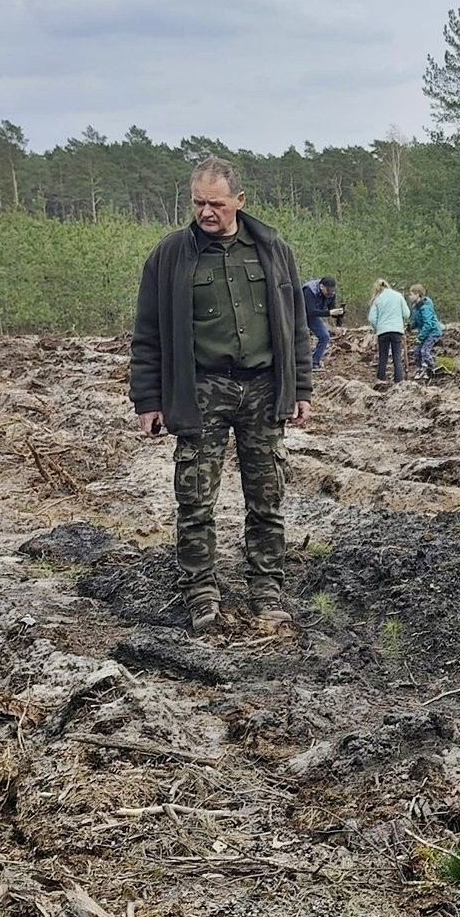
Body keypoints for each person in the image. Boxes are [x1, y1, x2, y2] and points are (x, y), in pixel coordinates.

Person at [129, 156, 312, 634]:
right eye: (198, 203)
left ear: (239, 201)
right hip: (201, 389)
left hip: (264, 387)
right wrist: (148, 399)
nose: (206, 212)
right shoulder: (170, 256)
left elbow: (295, 324)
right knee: (194, 499)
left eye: (216, 203)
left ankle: (266, 590)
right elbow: (147, 333)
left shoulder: (273, 249)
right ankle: (201, 594)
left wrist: (301, 387)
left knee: (267, 497)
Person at [369, 279, 408, 384]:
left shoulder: (377, 299)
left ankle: (380, 380)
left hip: (383, 331)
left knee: (383, 357)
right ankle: (399, 381)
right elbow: (406, 314)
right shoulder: (398, 296)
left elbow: (372, 318)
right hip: (397, 330)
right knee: (397, 357)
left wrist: (377, 328)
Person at [301, 275, 340, 370]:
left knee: (324, 336)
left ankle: (315, 362)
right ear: (321, 286)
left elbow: (331, 309)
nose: (329, 293)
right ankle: (299, 361)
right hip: (300, 316)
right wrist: (329, 313)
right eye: (328, 290)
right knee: (301, 338)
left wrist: (338, 314)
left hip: (313, 317)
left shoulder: (331, 294)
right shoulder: (309, 290)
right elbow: (310, 311)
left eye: (331, 291)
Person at [406, 283, 443, 376]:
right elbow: (417, 321)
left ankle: (432, 368)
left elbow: (428, 324)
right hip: (424, 332)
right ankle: (419, 369)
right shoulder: (415, 307)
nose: (410, 297)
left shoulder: (426, 308)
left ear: (417, 295)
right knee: (416, 351)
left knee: (424, 351)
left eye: (411, 294)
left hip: (433, 332)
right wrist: (410, 327)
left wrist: (420, 337)